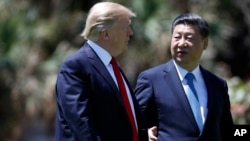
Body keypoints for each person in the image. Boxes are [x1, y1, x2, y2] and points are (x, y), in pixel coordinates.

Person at [55, 2, 148, 141]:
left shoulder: (113, 67)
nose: (130, 32)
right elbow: (82, 127)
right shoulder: (75, 68)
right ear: (106, 33)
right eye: (126, 27)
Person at [135, 13, 234, 141]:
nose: (181, 43)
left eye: (189, 38)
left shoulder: (218, 85)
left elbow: (226, 130)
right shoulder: (151, 79)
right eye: (177, 37)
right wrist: (145, 134)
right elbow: (134, 122)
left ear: (205, 43)